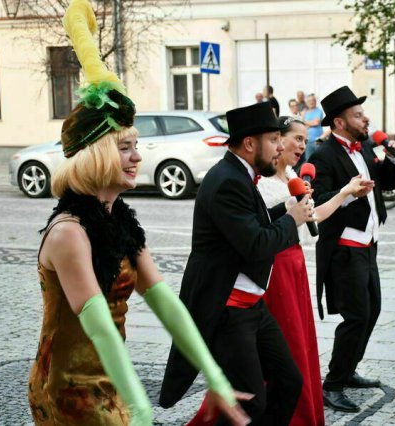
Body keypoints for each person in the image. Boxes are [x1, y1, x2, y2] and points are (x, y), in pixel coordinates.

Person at [28, 1, 249, 425]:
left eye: (136, 145)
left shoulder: (121, 221)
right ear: (93, 156)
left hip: (110, 378)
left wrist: (215, 377)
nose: (136, 156)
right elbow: (99, 329)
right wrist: (140, 407)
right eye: (124, 146)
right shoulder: (69, 233)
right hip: (70, 388)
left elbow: (168, 305)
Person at [160, 102, 316, 425]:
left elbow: (251, 226)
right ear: (249, 143)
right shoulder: (227, 180)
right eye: (274, 140)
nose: (280, 148)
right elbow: (256, 244)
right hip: (227, 310)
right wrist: (293, 220)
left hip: (253, 307)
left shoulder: (242, 174)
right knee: (250, 402)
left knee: (289, 382)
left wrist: (286, 208)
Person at [255, 115, 370, 426]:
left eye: (306, 140)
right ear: (277, 139)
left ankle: (303, 411)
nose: (302, 146)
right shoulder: (262, 182)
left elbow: (313, 216)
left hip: (295, 265)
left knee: (301, 342)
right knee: (285, 342)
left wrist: (345, 192)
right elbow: (263, 228)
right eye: (297, 139)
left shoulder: (292, 175)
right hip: (275, 268)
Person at [309, 86, 395, 413]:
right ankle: (333, 384)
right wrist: (349, 192)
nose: (365, 119)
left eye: (364, 114)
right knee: (356, 316)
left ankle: (348, 369)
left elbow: (387, 183)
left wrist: (392, 158)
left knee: (372, 310)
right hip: (345, 250)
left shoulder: (364, 145)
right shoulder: (322, 155)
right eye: (358, 115)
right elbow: (319, 202)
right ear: (339, 122)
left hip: (368, 244)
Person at [303, 94, 325, 160]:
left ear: (315, 101)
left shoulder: (319, 111)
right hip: (308, 141)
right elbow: (304, 126)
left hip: (318, 139)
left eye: (313, 100)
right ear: (306, 102)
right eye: (309, 100)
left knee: (320, 159)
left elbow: (316, 122)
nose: (311, 102)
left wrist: (305, 122)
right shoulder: (306, 113)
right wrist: (310, 123)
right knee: (309, 160)